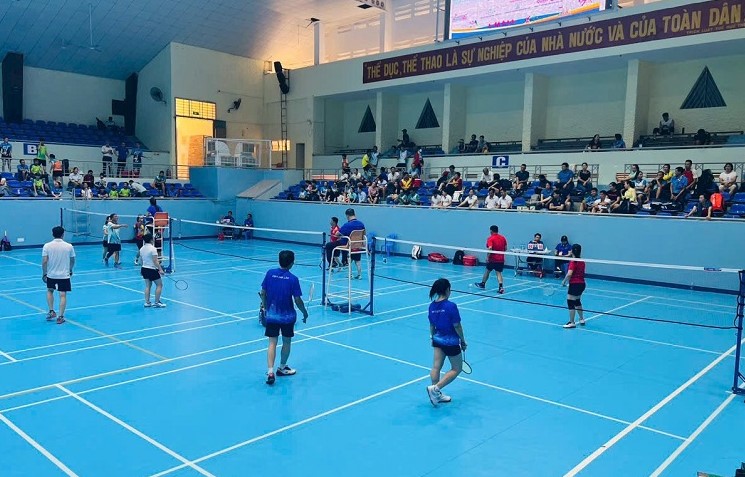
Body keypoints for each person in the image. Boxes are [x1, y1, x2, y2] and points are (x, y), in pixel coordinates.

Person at [261, 250, 309, 385]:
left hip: (272, 315)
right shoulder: (293, 279)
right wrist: (304, 312)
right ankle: (282, 368)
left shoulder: (270, 273)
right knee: (286, 342)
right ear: (292, 263)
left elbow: (263, 292)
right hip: (287, 317)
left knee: (272, 343)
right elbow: (298, 300)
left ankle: (270, 371)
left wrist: (265, 307)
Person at [426, 278, 467, 407]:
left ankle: (435, 395)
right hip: (451, 341)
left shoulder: (432, 306)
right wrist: (463, 341)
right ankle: (436, 389)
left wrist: (433, 338)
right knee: (457, 368)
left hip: (437, 339)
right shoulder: (451, 306)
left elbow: (432, 325)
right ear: (447, 290)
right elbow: (457, 326)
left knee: (436, 367)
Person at [41, 226, 75, 325]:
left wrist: (44, 273)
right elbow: (72, 260)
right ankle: (60, 317)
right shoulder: (69, 246)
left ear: (52, 234)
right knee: (63, 294)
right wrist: (70, 269)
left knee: (50, 290)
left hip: (51, 274)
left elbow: (44, 261)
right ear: (63, 234)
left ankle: (51, 311)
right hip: (64, 275)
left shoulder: (47, 246)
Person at [474, 225, 506, 293]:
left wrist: (487, 257)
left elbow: (490, 248)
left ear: (491, 231)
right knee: (498, 273)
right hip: (501, 259)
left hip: (492, 259)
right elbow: (505, 248)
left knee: (487, 271)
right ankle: (501, 287)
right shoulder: (503, 238)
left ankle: (483, 284)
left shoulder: (490, 238)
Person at [561, 244, 586, 329]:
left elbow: (569, 274)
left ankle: (572, 322)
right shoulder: (582, 261)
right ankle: (582, 319)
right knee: (577, 301)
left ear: (572, 251)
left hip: (575, 284)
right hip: (582, 284)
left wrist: (564, 282)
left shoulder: (573, 261)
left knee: (570, 302)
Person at [140, 233, 166, 308]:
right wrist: (160, 270)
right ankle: (157, 302)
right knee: (159, 285)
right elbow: (155, 261)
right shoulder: (153, 249)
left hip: (144, 269)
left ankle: (147, 302)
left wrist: (141, 269)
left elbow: (141, 260)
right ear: (151, 240)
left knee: (148, 286)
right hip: (152, 269)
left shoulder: (142, 248)